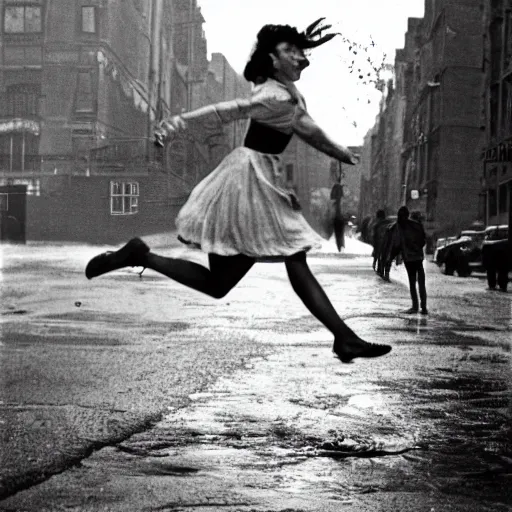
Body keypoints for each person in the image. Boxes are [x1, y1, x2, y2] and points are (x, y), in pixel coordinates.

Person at [85, 20, 391, 364]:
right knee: (293, 258)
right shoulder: (274, 94)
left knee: (220, 283)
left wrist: (340, 152)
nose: (300, 58)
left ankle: (140, 256)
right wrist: (175, 125)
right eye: (290, 51)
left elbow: (307, 129)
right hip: (247, 182)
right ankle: (344, 337)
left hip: (253, 179)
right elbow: (227, 111)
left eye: (299, 50)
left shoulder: (284, 93)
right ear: (272, 59)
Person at [387, 206, 428, 314]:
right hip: (418, 257)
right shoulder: (417, 226)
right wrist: (417, 248)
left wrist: (391, 257)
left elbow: (397, 244)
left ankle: (415, 306)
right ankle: (423, 307)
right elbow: (423, 240)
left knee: (412, 282)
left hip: (409, 258)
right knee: (421, 282)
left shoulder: (399, 227)